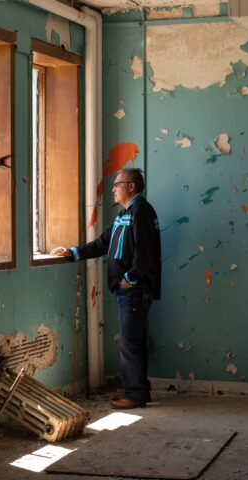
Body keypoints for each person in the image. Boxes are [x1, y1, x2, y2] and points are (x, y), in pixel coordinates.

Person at [51, 168, 161, 409]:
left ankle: (135, 395)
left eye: (116, 184)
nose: (113, 189)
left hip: (134, 291)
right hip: (128, 291)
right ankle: (139, 391)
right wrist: (73, 252)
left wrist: (130, 278)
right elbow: (104, 242)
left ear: (131, 186)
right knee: (135, 341)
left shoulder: (141, 211)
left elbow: (146, 252)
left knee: (130, 342)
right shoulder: (125, 214)